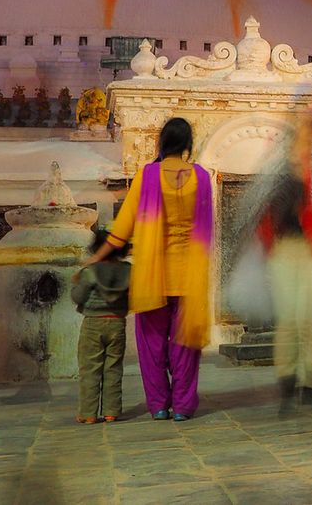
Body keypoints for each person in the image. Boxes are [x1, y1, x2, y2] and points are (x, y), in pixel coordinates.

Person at [79, 118, 214, 422]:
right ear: (188, 144)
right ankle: (182, 406)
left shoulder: (148, 175)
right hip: (189, 274)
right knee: (184, 345)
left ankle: (159, 406)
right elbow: (206, 230)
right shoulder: (202, 177)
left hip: (153, 274)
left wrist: (96, 257)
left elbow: (122, 229)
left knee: (152, 344)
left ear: (162, 142)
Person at [232, 110, 312, 413]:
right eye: (303, 128)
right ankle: (287, 380)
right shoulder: (279, 164)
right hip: (285, 248)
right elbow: (256, 203)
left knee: (311, 318)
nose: (307, 134)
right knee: (289, 318)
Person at [71, 228, 130, 424]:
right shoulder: (128, 270)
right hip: (117, 323)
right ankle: (111, 412)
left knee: (90, 369)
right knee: (113, 368)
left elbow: (78, 296)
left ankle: (88, 414)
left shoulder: (90, 272)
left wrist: (75, 283)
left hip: (93, 324)